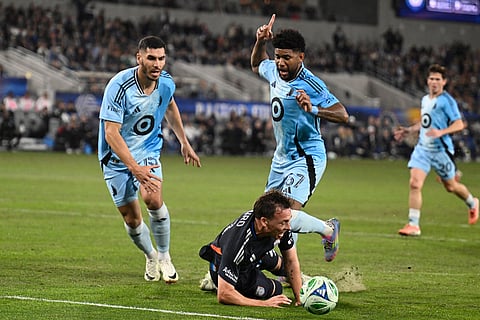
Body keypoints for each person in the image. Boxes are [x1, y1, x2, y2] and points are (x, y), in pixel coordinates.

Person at [97, 35, 201, 283]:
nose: (157, 64)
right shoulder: (118, 86)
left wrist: (184, 142)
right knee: (131, 219)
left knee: (153, 199)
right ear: (139, 57)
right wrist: (134, 169)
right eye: (151, 58)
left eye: (162, 58)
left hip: (147, 149)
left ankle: (165, 256)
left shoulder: (165, 82)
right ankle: (150, 255)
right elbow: (111, 133)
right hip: (116, 157)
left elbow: (170, 106)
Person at [250, 15, 349, 261]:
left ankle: (327, 231)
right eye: (278, 56)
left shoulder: (312, 85)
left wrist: (314, 110)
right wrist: (260, 42)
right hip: (281, 158)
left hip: (306, 158)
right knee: (265, 218)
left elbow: (343, 115)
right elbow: (256, 64)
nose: (280, 62)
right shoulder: (273, 70)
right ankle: (282, 266)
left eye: (287, 57)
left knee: (285, 215)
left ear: (301, 57)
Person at [394, 64, 478, 236]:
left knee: (451, 187)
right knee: (415, 183)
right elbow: (426, 122)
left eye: (438, 79)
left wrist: (442, 131)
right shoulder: (425, 99)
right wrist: (410, 130)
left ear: (444, 82)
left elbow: (459, 123)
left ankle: (473, 203)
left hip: (441, 151)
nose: (434, 82)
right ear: (427, 80)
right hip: (423, 149)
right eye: (431, 78)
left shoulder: (447, 101)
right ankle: (413, 224)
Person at [199, 190, 302, 307]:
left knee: (283, 265)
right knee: (276, 289)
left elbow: (291, 260)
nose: (288, 227)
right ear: (264, 221)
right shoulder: (237, 246)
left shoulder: (279, 225)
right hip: (232, 267)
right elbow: (224, 295)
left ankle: (300, 279)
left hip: (254, 253)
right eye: (284, 222)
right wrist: (265, 304)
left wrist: (300, 297)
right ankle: (218, 280)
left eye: (288, 220)